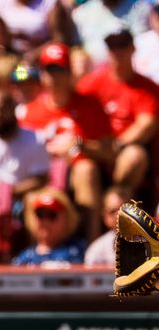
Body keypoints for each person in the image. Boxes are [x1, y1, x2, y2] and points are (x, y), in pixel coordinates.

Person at [19, 43, 114, 242]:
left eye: (60, 70)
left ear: (70, 72)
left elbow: (110, 152)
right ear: (42, 74)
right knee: (31, 194)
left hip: (77, 175)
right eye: (49, 70)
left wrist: (78, 145)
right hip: (44, 176)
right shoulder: (29, 111)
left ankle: (91, 247)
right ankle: (37, 254)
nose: (54, 76)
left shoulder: (90, 105)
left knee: (86, 169)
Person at [76, 29, 159, 193]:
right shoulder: (91, 83)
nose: (117, 52)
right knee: (82, 165)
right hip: (96, 146)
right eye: (112, 47)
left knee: (134, 156)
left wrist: (117, 146)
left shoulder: (148, 88)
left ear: (133, 49)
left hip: (124, 149)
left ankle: (115, 201)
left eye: (122, 46)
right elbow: (75, 111)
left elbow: (146, 125)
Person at [12, 187, 86, 266]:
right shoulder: (25, 257)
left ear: (67, 218)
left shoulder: (78, 250)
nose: (45, 221)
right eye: (40, 215)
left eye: (51, 215)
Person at [84, 185, 131, 267]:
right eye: (113, 211)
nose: (118, 215)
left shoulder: (149, 245)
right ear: (104, 215)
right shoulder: (96, 250)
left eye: (123, 210)